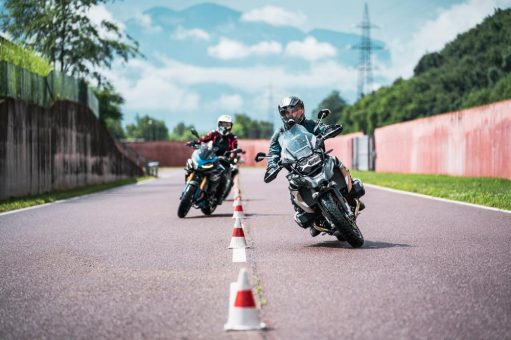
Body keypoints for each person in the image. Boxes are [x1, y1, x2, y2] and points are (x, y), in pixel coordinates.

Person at [265, 96, 364, 237]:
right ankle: (305, 213)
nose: (292, 115)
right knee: (292, 185)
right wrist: (272, 165)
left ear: (302, 110)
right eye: (287, 112)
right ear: (283, 115)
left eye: (295, 110)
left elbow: (322, 129)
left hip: (319, 159)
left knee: (334, 160)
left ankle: (350, 186)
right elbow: (273, 152)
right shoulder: (279, 134)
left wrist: (329, 129)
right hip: (297, 168)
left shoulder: (311, 124)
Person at [187, 115, 238, 203]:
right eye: (223, 124)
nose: (225, 127)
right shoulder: (214, 133)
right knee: (195, 164)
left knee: (224, 176)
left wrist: (231, 156)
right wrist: (195, 142)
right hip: (211, 156)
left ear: (231, 126)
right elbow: (203, 139)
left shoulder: (232, 138)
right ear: (219, 124)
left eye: (227, 125)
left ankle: (219, 197)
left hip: (224, 160)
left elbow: (234, 149)